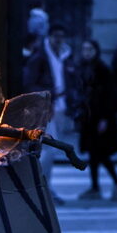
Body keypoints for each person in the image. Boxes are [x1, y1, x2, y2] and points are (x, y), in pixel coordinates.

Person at [22, 24, 73, 205]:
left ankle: (44, 187)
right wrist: (46, 99)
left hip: (59, 106)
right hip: (46, 107)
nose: (59, 40)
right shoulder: (40, 56)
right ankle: (42, 188)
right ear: (50, 36)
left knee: (48, 149)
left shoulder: (64, 55)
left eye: (62, 36)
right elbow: (29, 83)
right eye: (56, 36)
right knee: (49, 149)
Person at [76, 40, 117, 200]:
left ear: (96, 50)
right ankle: (102, 185)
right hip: (89, 117)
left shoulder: (103, 70)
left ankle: (104, 185)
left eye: (90, 49)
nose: (87, 52)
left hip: (100, 117)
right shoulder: (83, 68)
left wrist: (104, 118)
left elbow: (110, 95)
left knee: (98, 152)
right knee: (95, 153)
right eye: (84, 49)